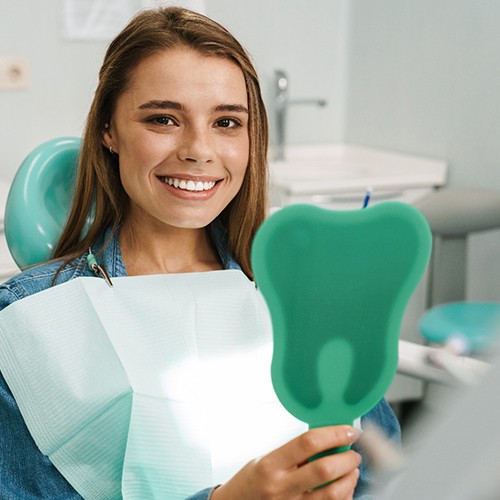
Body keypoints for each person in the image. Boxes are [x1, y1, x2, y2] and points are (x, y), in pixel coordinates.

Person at [0, 7, 400, 499]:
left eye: (227, 122)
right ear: (109, 130)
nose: (199, 150)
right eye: (164, 119)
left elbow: (381, 472)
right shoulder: (30, 319)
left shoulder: (302, 297)